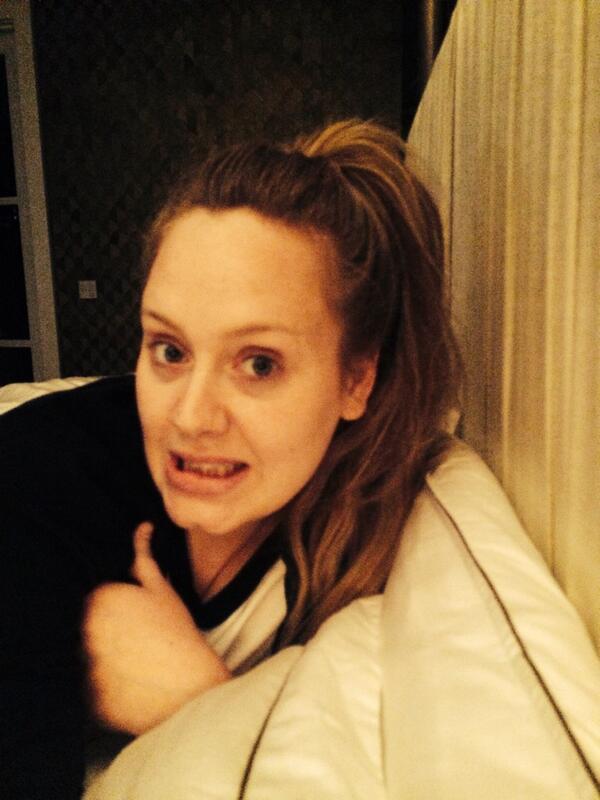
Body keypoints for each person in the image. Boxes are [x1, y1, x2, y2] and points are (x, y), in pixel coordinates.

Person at [0, 119, 461, 799]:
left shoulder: (384, 532)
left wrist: (202, 703)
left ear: (356, 380)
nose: (190, 418)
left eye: (258, 363)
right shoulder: (34, 489)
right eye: (170, 350)